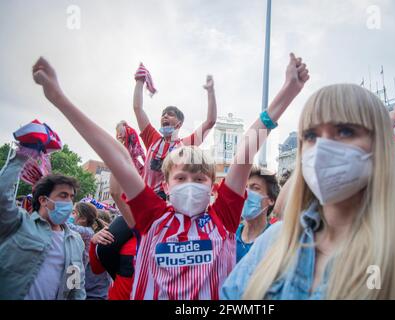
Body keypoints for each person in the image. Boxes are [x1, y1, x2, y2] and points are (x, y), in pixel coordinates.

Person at [32, 52, 309, 300]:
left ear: (213, 186)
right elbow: (118, 157)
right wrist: (58, 97)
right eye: (181, 178)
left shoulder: (223, 217)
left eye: (199, 179)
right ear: (165, 184)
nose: (190, 184)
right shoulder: (152, 216)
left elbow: (246, 150)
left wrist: (287, 92)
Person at [221, 84, 395, 300]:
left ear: (382, 145)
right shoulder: (274, 240)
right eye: (311, 136)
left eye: (345, 131)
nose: (322, 149)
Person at [0, 146, 85, 300]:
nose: (69, 202)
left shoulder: (76, 241)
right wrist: (21, 155)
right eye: (63, 195)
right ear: (43, 200)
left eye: (71, 197)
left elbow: (76, 287)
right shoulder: (19, 223)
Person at [134, 64, 217, 199]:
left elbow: (210, 121)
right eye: (163, 114)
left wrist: (211, 91)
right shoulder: (152, 138)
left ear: (179, 123)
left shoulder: (186, 144)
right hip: (145, 198)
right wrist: (139, 81)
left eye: (170, 114)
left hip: (168, 201)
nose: (165, 116)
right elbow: (138, 109)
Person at [67, 202, 111, 299]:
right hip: (77, 273)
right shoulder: (88, 234)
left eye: (73, 213)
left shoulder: (88, 232)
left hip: (92, 292)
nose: (71, 215)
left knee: (73, 292)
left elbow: (70, 227)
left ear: (83, 219)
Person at [237, 166, 279, 262]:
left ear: (271, 200)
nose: (246, 193)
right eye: (245, 188)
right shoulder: (231, 237)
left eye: (255, 188)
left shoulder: (275, 239)